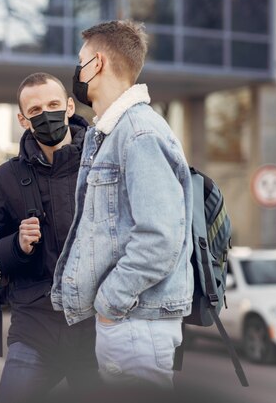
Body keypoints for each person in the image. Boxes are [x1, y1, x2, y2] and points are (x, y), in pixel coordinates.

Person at [52, 20, 194, 389]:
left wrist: (110, 304)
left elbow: (160, 238)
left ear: (96, 63)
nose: (77, 71)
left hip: (135, 323)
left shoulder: (139, 133)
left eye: (80, 60)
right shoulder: (115, 132)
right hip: (132, 322)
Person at [0, 72, 98, 403]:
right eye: (35, 111)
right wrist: (16, 247)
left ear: (70, 106)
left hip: (94, 328)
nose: (46, 115)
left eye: (53, 105)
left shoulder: (102, 165)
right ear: (22, 119)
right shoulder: (6, 178)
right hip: (34, 328)